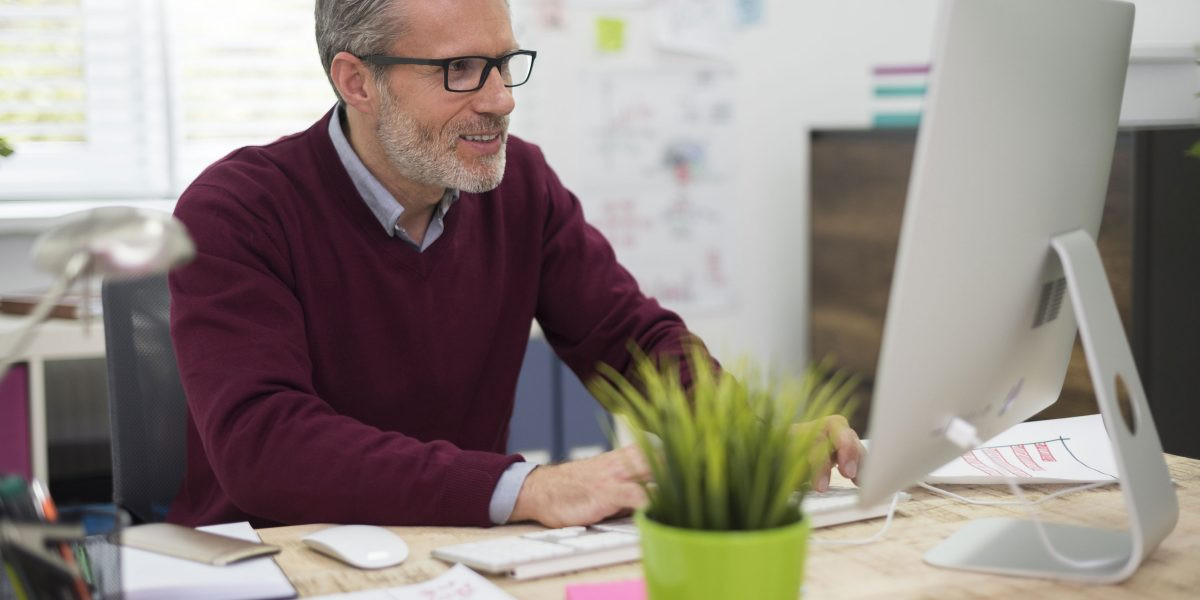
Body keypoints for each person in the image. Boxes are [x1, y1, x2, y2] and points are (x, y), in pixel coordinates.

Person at [166, 0, 864, 529]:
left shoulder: (518, 184)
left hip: (459, 559)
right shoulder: (237, 210)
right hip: (276, 562)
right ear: (356, 81)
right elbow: (266, 446)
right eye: (460, 71)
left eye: (504, 63)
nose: (501, 99)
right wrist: (531, 489)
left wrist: (749, 443)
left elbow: (632, 341)